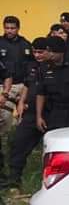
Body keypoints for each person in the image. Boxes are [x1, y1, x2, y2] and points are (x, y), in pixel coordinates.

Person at [7, 38, 48, 191]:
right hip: (30, 112)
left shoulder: (54, 67)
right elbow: (26, 84)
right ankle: (14, 182)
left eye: (40, 52)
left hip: (51, 113)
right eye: (34, 52)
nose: (37, 55)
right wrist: (21, 102)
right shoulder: (31, 65)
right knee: (19, 143)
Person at [0, 16, 34, 131]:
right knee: (4, 116)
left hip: (23, 85)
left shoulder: (25, 44)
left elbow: (32, 65)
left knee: (25, 116)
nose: (9, 31)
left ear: (18, 28)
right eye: (6, 28)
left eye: (12, 28)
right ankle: (5, 137)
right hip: (4, 86)